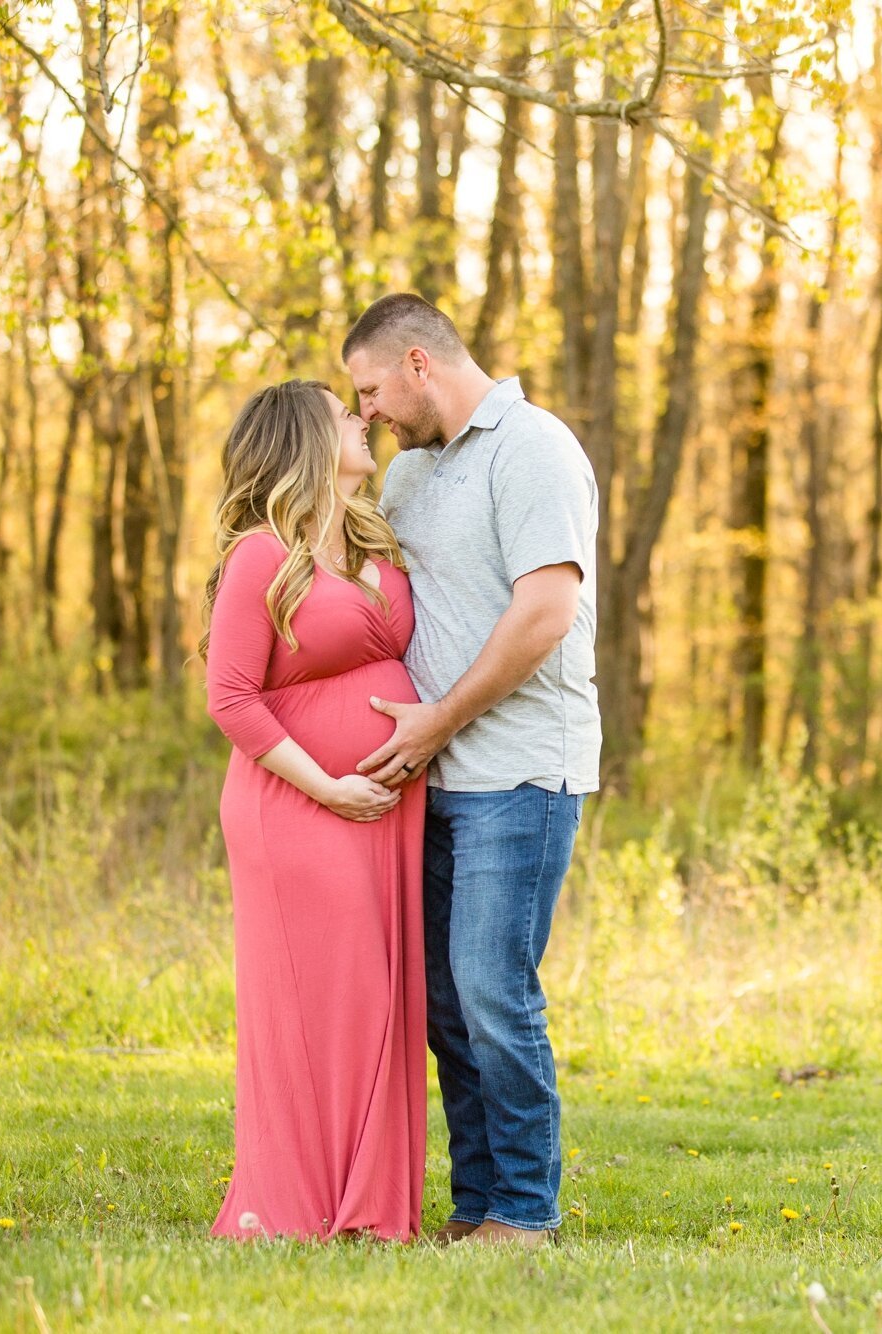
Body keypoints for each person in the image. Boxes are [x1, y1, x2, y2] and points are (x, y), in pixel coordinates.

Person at [344, 293, 600, 1249]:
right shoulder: (407, 479)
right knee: (446, 1005)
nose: (365, 410)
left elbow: (545, 611)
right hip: (436, 781)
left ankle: (527, 1216)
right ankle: (478, 1206)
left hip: (521, 774)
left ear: (418, 363)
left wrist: (439, 721)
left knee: (494, 992)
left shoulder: (533, 448)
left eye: (369, 388)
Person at [200, 379, 424, 1242]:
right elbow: (230, 698)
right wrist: (327, 786)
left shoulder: (374, 542)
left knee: (380, 998)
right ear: (304, 441)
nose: (363, 418)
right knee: (335, 996)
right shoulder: (262, 555)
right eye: (343, 413)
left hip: (383, 812)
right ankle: (296, 1202)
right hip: (297, 806)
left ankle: (369, 1206)